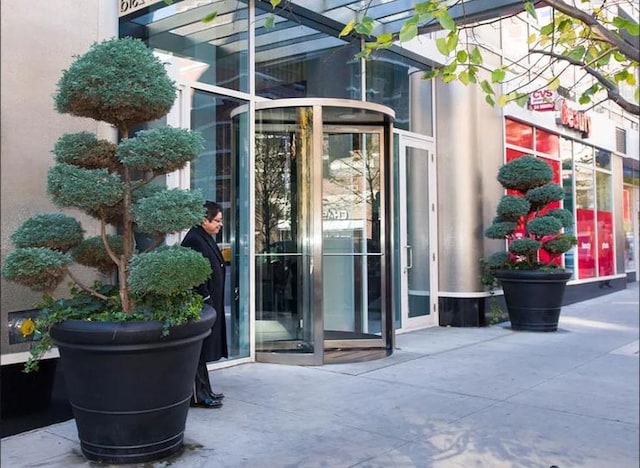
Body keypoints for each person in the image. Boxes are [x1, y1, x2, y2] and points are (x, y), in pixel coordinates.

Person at [181, 201, 229, 408]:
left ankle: (205, 391)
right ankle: (198, 396)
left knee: (203, 350)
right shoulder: (194, 240)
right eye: (217, 220)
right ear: (204, 220)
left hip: (210, 303)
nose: (220, 225)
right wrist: (206, 298)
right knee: (198, 351)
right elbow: (194, 274)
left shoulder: (203, 237)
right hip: (202, 305)